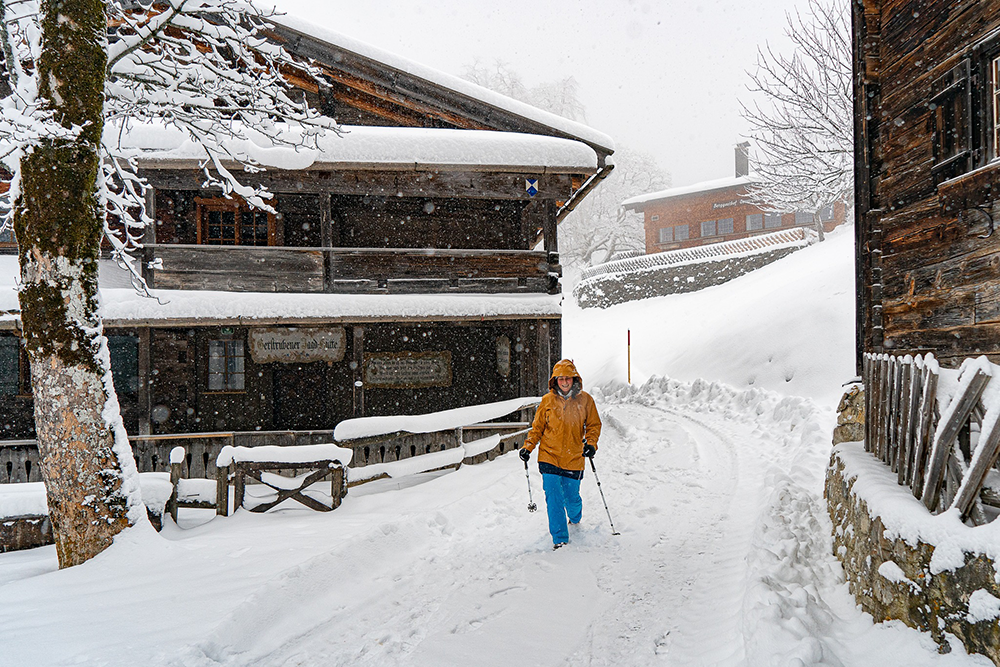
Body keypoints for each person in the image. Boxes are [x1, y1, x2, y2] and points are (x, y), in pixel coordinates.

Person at [519, 359, 602, 550]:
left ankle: (575, 516)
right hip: (549, 456)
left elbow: (593, 425)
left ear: (574, 379)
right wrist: (528, 447)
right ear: (555, 380)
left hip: (574, 457)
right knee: (553, 496)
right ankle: (560, 539)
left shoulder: (586, 400)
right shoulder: (547, 401)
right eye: (560, 379)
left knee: (571, 498)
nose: (564, 382)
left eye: (568, 378)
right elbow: (537, 427)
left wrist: (591, 444)